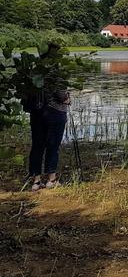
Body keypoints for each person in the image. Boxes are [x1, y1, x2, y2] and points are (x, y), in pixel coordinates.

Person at [27, 44, 71, 192]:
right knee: (53, 146)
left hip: (37, 112)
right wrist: (68, 99)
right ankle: (51, 179)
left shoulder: (33, 72)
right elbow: (61, 96)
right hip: (55, 112)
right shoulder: (56, 72)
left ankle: (36, 181)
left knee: (37, 146)